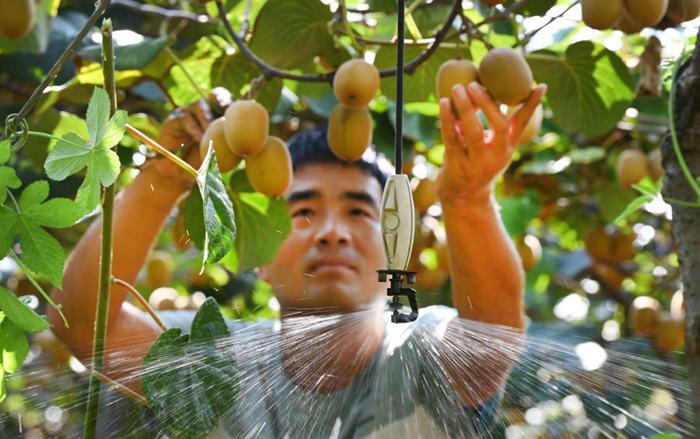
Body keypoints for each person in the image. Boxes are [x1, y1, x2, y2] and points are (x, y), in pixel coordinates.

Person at [48, 81, 546, 438]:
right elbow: (85, 326)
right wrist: (162, 181)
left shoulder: (421, 351)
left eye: (358, 211)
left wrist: (468, 200)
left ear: (399, 247)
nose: (331, 233)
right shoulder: (216, 358)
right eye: (304, 211)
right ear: (261, 254)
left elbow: (492, 341)